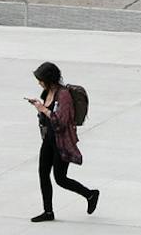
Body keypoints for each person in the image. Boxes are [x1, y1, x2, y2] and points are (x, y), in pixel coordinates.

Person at [28, 61, 98, 222]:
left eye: (40, 79)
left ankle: (90, 194)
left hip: (61, 142)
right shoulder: (47, 93)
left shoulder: (63, 95)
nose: (39, 82)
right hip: (48, 140)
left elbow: (61, 121)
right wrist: (40, 108)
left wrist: (43, 109)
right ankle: (48, 212)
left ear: (49, 78)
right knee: (43, 174)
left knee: (60, 178)